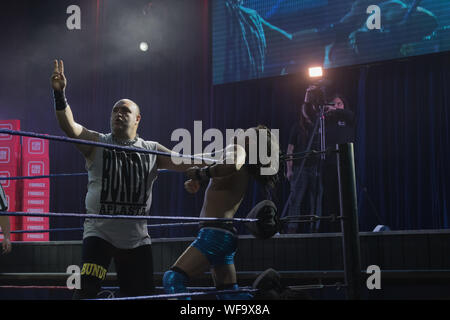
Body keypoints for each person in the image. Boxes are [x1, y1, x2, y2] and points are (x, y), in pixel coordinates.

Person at [50, 59, 209, 299]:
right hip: (99, 234)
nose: (119, 114)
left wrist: (227, 157)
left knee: (141, 296)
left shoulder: (151, 149)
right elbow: (69, 127)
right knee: (86, 294)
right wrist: (60, 95)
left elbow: (186, 160)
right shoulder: (97, 143)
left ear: (137, 119)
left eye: (125, 111)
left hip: (136, 240)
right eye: (115, 110)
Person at [163, 125, 280, 300]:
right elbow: (192, 159)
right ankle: (261, 300)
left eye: (245, 132)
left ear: (250, 141)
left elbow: (232, 164)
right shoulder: (231, 155)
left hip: (214, 235)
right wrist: (197, 177)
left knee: (173, 279)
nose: (239, 132)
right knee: (229, 296)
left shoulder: (237, 150)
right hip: (223, 235)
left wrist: (202, 174)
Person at [282, 87, 354, 233]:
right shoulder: (323, 121)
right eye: (334, 104)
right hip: (318, 165)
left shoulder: (347, 117)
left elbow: (349, 115)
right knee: (300, 199)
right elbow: (308, 113)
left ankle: (320, 229)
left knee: (322, 199)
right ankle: (293, 229)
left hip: (340, 164)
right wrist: (308, 96)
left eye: (339, 103)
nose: (336, 106)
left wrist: (333, 109)